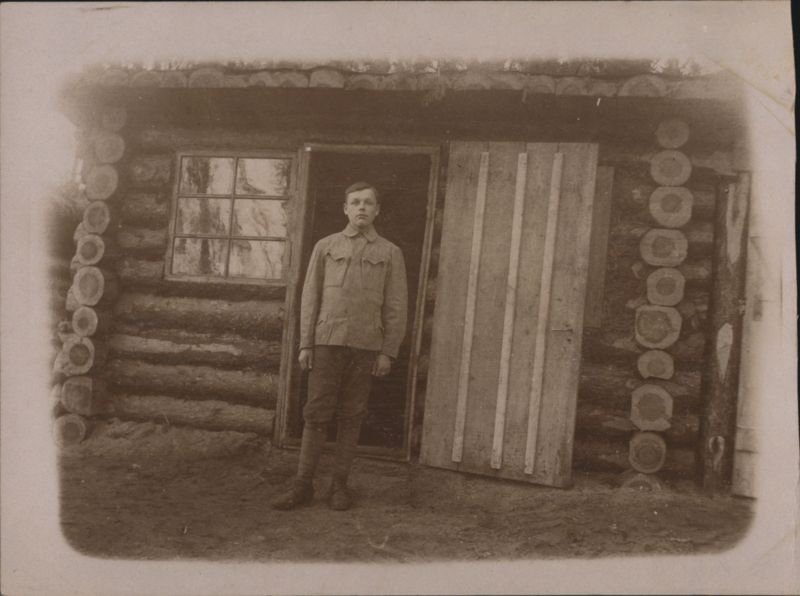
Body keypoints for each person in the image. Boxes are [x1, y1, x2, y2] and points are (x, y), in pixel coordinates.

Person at [272, 181, 408, 511]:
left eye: (368, 202)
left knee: (352, 415)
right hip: (327, 342)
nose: (362, 207)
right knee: (316, 413)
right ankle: (302, 485)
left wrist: (387, 351)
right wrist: (306, 344)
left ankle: (339, 486)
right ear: (345, 209)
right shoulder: (325, 246)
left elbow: (396, 305)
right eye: (355, 202)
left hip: (365, 345)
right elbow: (310, 297)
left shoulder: (390, 253)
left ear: (377, 210)